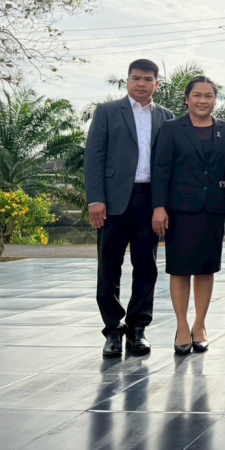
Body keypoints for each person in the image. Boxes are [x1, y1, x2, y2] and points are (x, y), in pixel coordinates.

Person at [85, 59, 174, 358]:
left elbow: (168, 163)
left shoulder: (166, 117)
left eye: (148, 79)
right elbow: (94, 157)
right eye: (136, 78)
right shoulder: (108, 112)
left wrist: (163, 205)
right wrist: (96, 199)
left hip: (150, 200)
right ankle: (112, 329)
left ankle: (138, 328)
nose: (141, 83)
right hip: (112, 201)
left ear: (156, 84)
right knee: (109, 265)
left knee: (146, 265)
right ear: (128, 81)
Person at [150, 76, 225, 354]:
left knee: (205, 268)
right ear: (187, 99)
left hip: (212, 209)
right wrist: (159, 206)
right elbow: (160, 170)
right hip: (179, 210)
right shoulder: (171, 128)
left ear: (216, 100)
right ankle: (181, 325)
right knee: (180, 269)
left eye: (209, 96)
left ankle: (200, 324)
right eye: (197, 95)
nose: (203, 101)